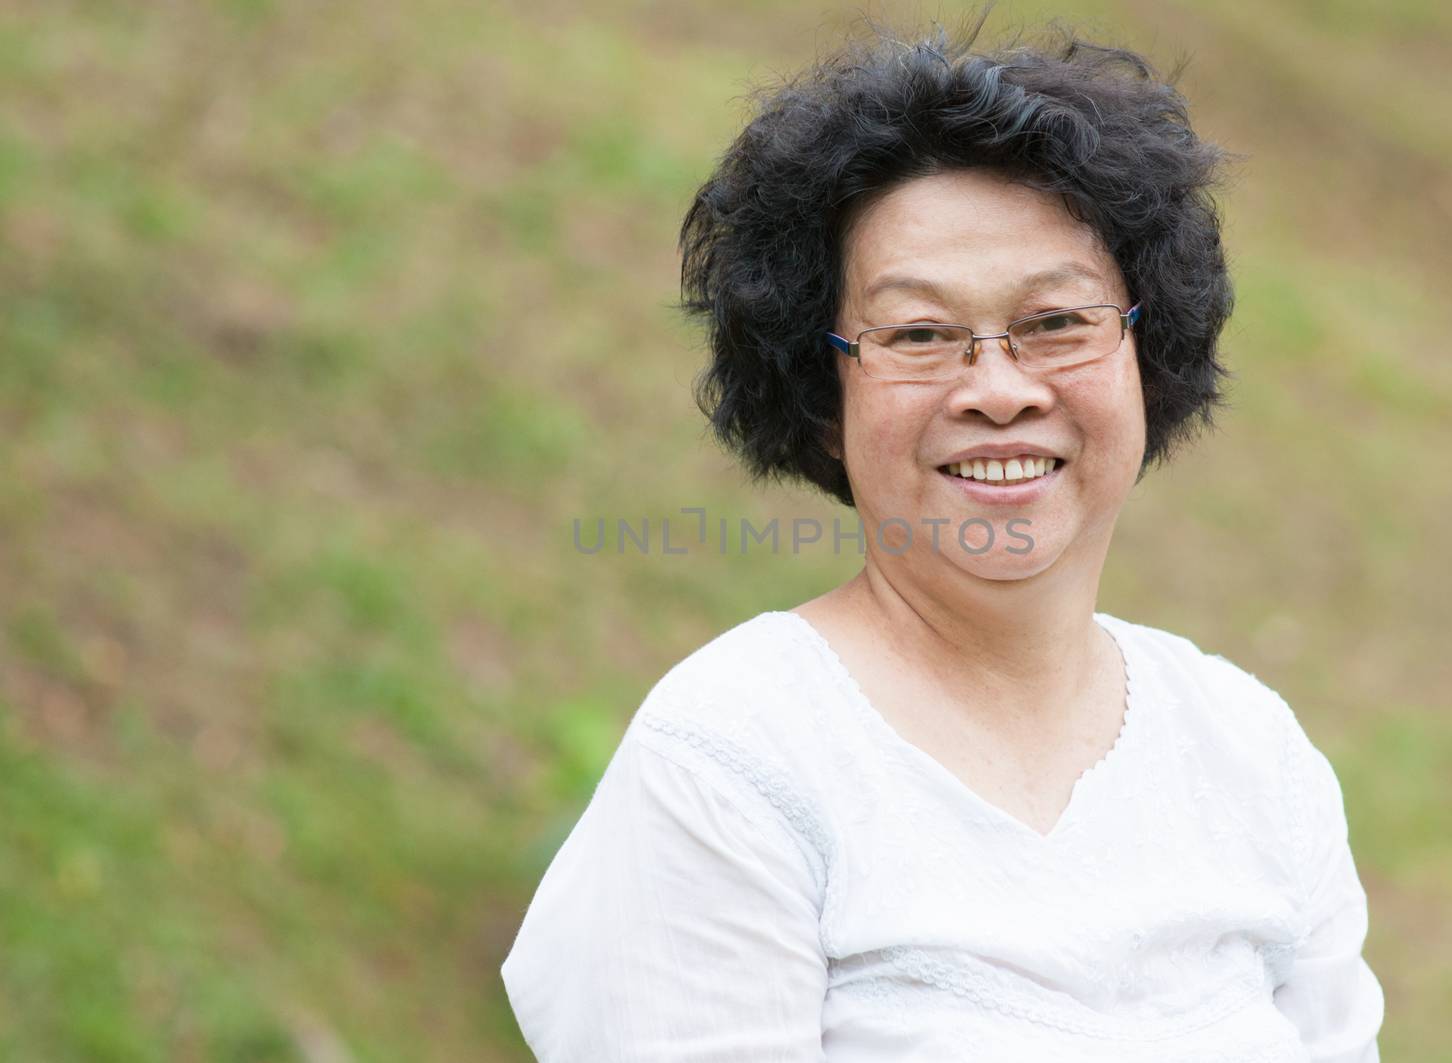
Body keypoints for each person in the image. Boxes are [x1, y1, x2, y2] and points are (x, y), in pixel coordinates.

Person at [503, 16, 1384, 1062]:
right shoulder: (732, 761)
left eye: (1057, 322)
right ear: (823, 394)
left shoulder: (1252, 756)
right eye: (918, 334)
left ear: (1147, 359)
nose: (1001, 389)